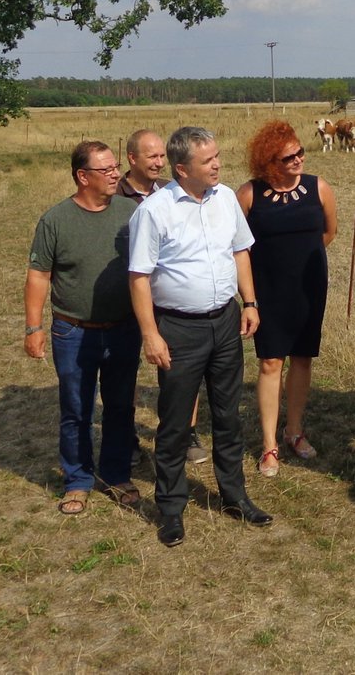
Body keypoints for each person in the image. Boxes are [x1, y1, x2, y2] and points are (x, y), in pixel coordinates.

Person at [128, 126, 273, 547]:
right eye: (208, 160)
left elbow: (239, 251)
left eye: (217, 156)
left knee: (228, 415)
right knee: (175, 423)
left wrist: (250, 303)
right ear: (181, 168)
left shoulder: (225, 197)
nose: (217, 164)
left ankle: (234, 496)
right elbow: (138, 277)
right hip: (178, 328)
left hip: (226, 322)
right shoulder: (154, 211)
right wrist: (151, 334)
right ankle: (171, 508)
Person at [24, 141, 141, 515]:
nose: (114, 174)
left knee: (121, 406)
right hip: (73, 332)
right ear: (82, 176)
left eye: (115, 167)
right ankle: (77, 480)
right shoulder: (55, 220)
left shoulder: (131, 211)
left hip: (124, 328)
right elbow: (39, 275)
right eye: (105, 170)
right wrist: (33, 327)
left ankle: (116, 475)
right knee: (76, 409)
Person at [236, 122, 337, 477]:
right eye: (288, 156)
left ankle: (294, 430)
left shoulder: (318, 186)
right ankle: (269, 446)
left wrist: (299, 263)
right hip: (267, 291)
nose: (298, 160)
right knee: (270, 362)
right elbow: (237, 246)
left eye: (300, 153)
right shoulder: (249, 194)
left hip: (309, 287)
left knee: (303, 357)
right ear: (269, 162)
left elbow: (329, 232)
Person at [116, 129, 208, 466]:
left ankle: (187, 431)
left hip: (169, 304)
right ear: (132, 159)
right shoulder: (114, 196)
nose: (159, 162)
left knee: (182, 370)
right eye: (151, 157)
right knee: (125, 371)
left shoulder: (171, 193)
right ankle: (124, 434)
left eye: (161, 157)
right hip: (130, 301)